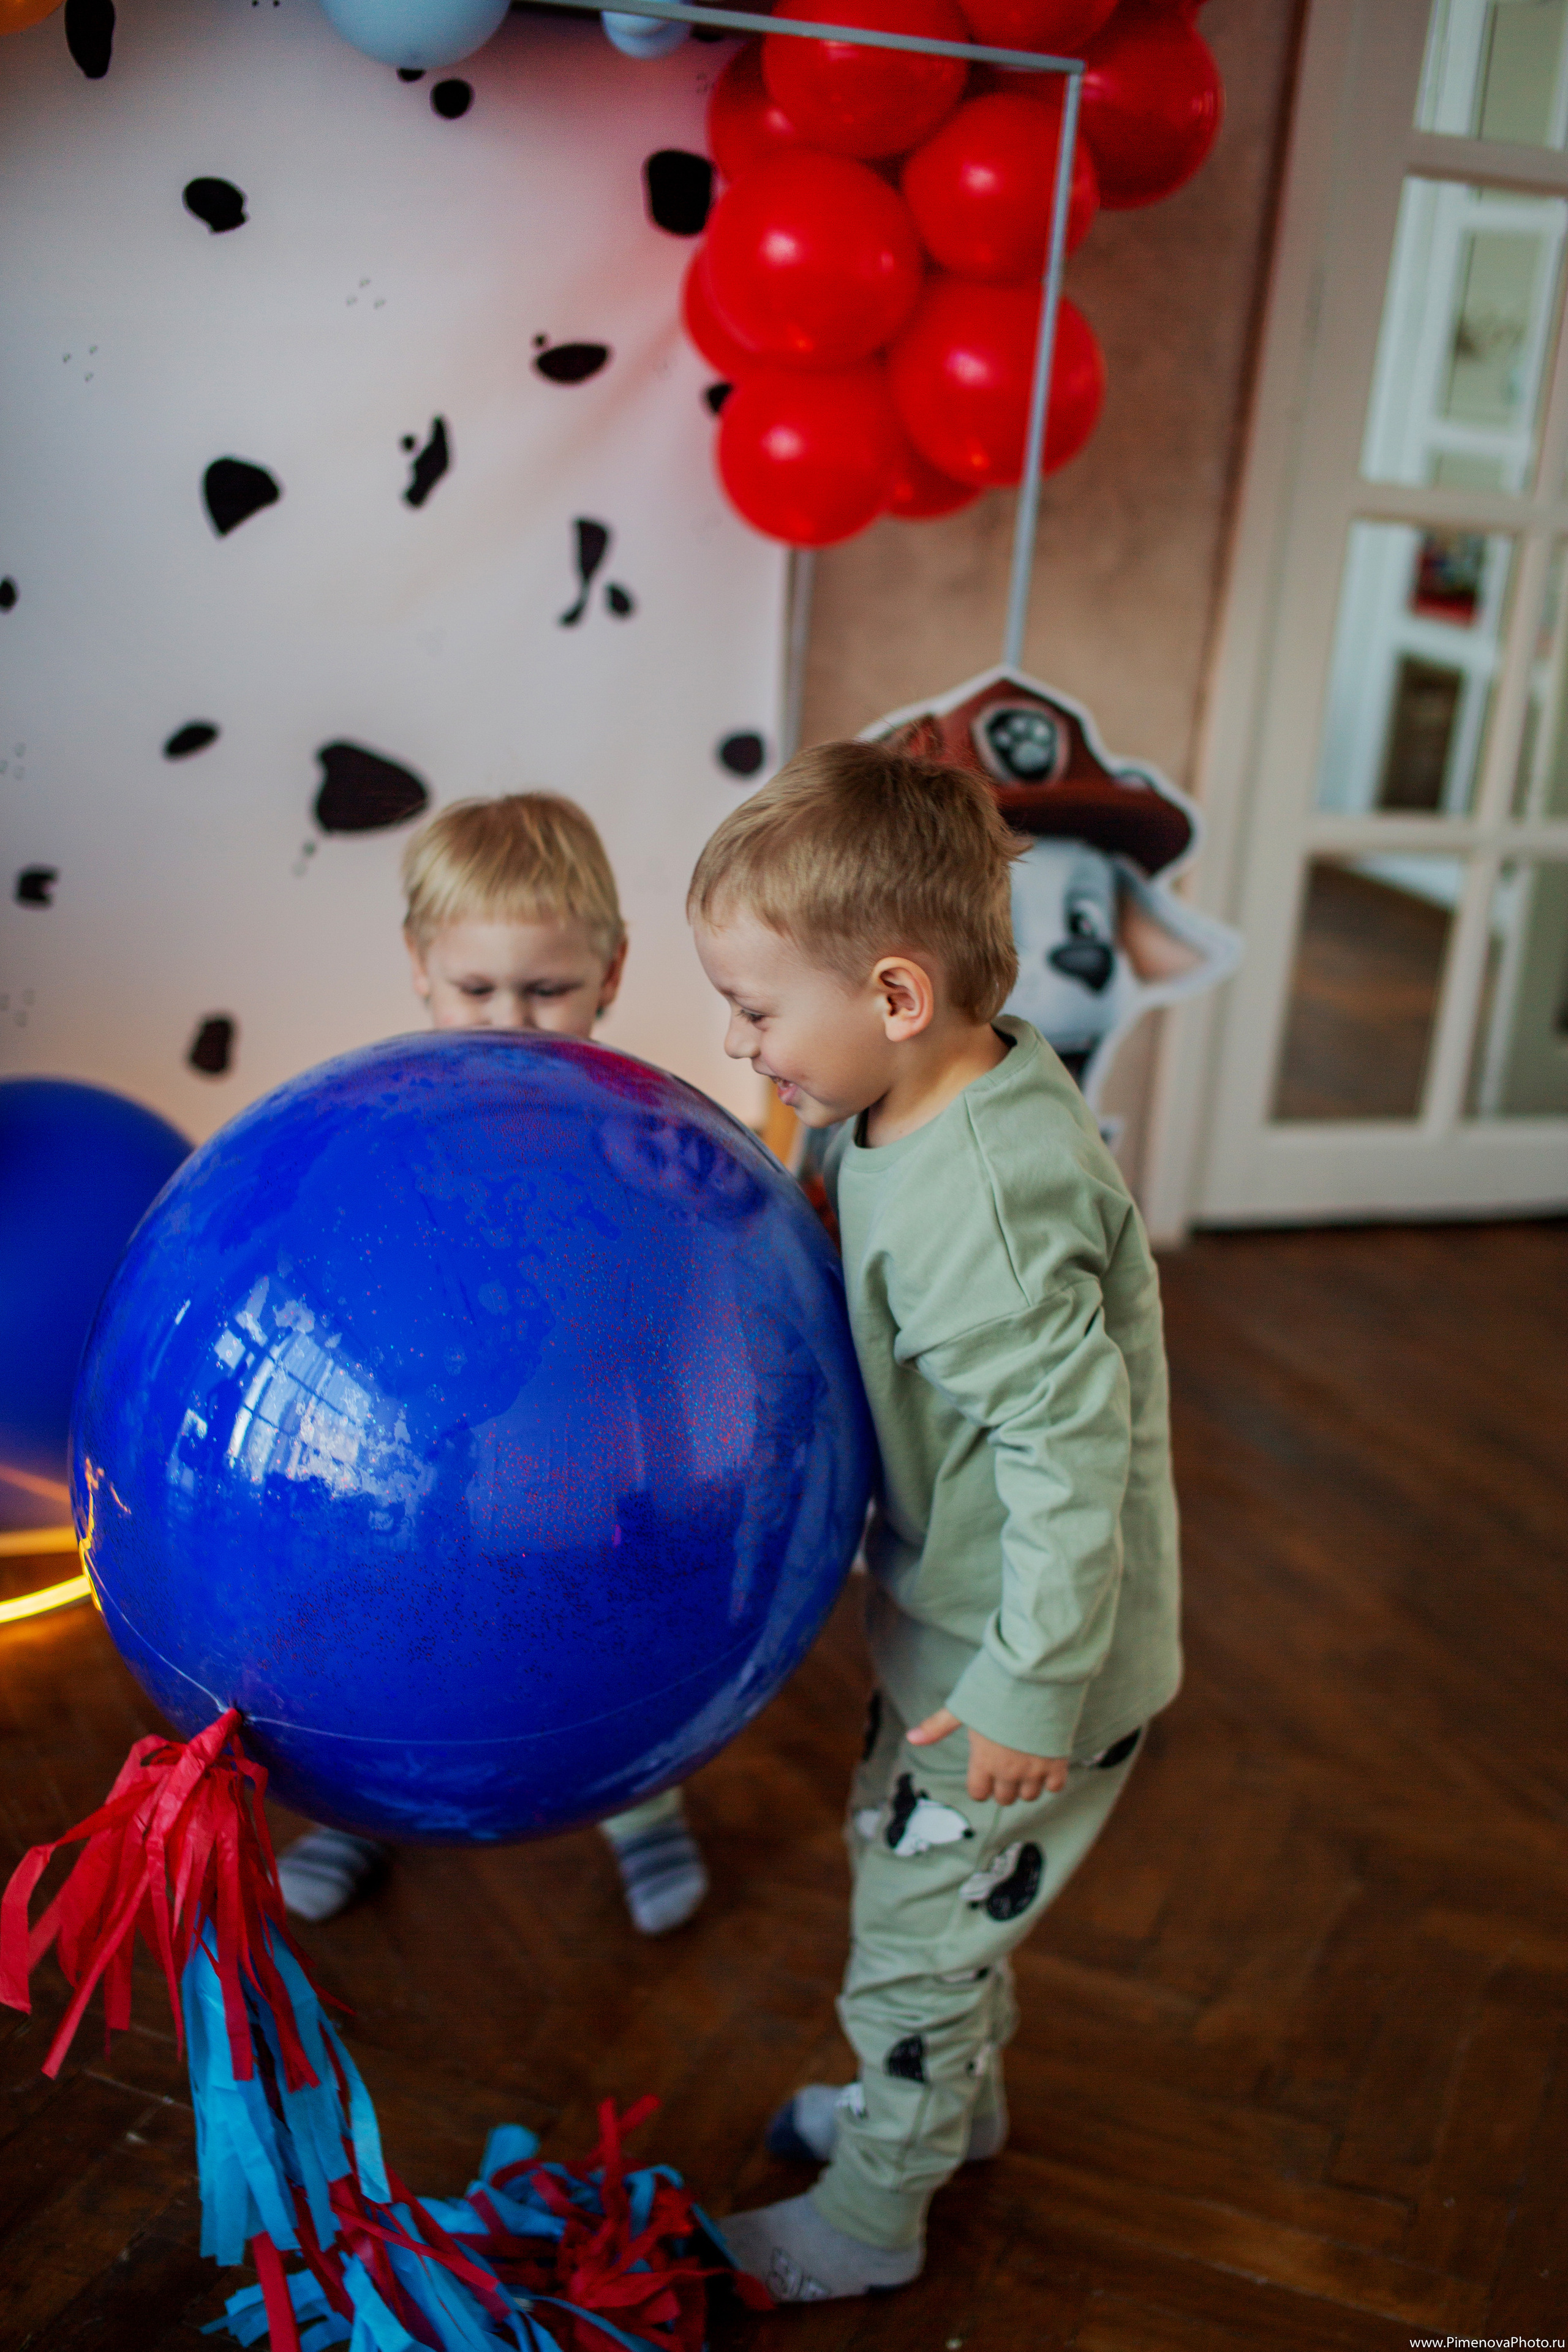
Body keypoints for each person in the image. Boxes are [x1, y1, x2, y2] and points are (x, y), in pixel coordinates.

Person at [687, 741, 1182, 2302]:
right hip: (950, 1624)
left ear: (895, 997)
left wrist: (1031, 1686)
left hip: (1017, 1657)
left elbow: (1065, 1451)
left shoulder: (979, 1194)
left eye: (760, 1013)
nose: (738, 1039)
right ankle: (941, 2103)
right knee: (938, 1897)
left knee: (914, 1926)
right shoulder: (913, 1094)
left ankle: (871, 2215)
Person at [277, 793, 711, 1940]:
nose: (510, 1019)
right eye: (478, 990)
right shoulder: (385, 1119)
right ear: (421, 967)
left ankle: (642, 1800)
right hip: (420, 1433)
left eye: (547, 990)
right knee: (395, 1610)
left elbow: (677, 1277)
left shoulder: (636, 1124)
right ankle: (357, 1802)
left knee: (613, 1604)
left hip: (587, 1433)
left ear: (611, 974)